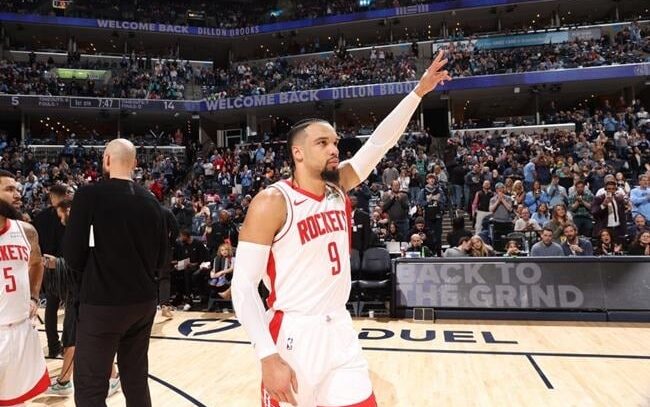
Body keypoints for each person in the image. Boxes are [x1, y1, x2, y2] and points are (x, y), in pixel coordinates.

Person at [231, 52, 450, 407]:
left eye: (335, 142)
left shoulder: (338, 187)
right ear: (297, 153)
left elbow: (380, 143)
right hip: (293, 335)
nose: (335, 149)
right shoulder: (272, 202)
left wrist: (418, 93)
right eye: (323, 143)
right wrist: (267, 356)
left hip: (340, 330)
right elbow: (242, 288)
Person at [63, 139, 169, 407]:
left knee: (90, 386)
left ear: (107, 160)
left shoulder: (89, 194)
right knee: (135, 380)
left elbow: (72, 254)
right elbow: (162, 259)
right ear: (134, 164)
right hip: (143, 303)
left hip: (102, 303)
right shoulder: (153, 202)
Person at [44, 198, 121, 397]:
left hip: (86, 295)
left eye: (60, 213)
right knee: (92, 340)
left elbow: (84, 263)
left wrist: (56, 264)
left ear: (68, 210)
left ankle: (64, 382)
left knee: (72, 338)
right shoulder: (86, 230)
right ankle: (112, 377)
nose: (59, 218)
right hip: (90, 295)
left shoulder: (85, 232)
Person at [0, 170, 49, 406]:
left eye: (17, 189)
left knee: (18, 402)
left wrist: (33, 295)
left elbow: (37, 262)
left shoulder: (26, 231)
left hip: (20, 329)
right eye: (9, 190)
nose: (17, 194)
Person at [32, 183, 70, 358]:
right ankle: (69, 345)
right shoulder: (70, 215)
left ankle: (54, 347)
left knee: (51, 307)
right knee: (70, 307)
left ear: (51, 196)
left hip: (47, 265)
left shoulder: (39, 217)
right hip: (66, 266)